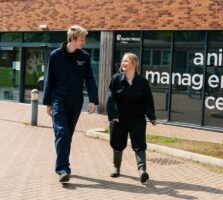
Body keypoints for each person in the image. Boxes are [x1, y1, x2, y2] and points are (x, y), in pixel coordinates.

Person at [43, 25, 99, 183]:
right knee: (62, 132)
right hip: (58, 99)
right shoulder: (55, 55)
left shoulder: (84, 57)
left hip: (75, 101)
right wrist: (48, 103)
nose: (84, 42)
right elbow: (49, 80)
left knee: (68, 135)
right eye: (82, 39)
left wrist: (93, 100)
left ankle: (63, 165)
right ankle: (62, 169)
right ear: (73, 38)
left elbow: (89, 79)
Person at [106, 52, 158, 183]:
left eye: (126, 61)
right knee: (117, 143)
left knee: (139, 144)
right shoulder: (116, 79)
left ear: (134, 64)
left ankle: (142, 171)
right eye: (122, 61)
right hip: (119, 118)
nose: (122, 63)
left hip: (137, 118)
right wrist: (113, 115)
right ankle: (116, 167)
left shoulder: (142, 82)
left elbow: (147, 101)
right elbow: (110, 97)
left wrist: (151, 116)